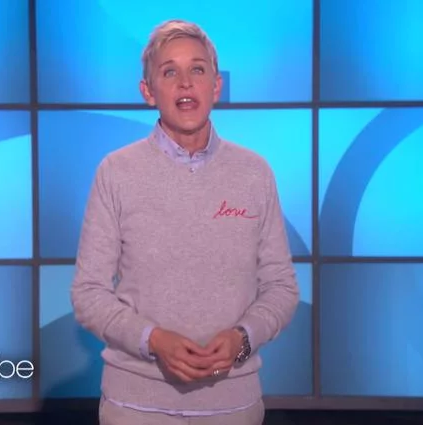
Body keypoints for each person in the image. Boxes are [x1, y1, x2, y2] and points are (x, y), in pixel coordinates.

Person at [70, 19, 299, 425]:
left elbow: (281, 287)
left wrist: (243, 339)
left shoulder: (254, 173)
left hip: (233, 406)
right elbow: (88, 293)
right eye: (169, 72)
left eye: (197, 69)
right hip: (135, 408)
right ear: (148, 92)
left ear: (216, 86)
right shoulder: (116, 172)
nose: (186, 83)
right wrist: (152, 341)